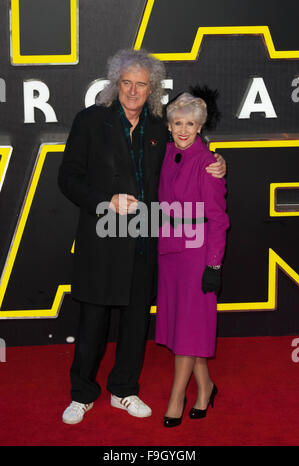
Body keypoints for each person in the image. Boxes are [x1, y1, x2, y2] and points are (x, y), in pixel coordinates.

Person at [58, 48, 226, 425]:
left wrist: (217, 160)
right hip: (102, 240)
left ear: (152, 90)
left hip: (143, 243)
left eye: (141, 85)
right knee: (92, 326)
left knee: (135, 325)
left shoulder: (157, 127)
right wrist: (106, 201)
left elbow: (189, 150)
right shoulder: (89, 121)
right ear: (115, 84)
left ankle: (124, 390)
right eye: (126, 83)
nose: (133, 91)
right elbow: (67, 179)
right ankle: (82, 394)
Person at [155, 91, 229, 427]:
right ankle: (207, 387)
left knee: (187, 331)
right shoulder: (167, 152)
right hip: (170, 255)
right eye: (177, 123)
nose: (183, 130)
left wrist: (213, 265)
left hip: (198, 257)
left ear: (200, 128)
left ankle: (176, 399)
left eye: (190, 124)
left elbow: (219, 219)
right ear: (169, 126)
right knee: (186, 329)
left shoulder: (208, 163)